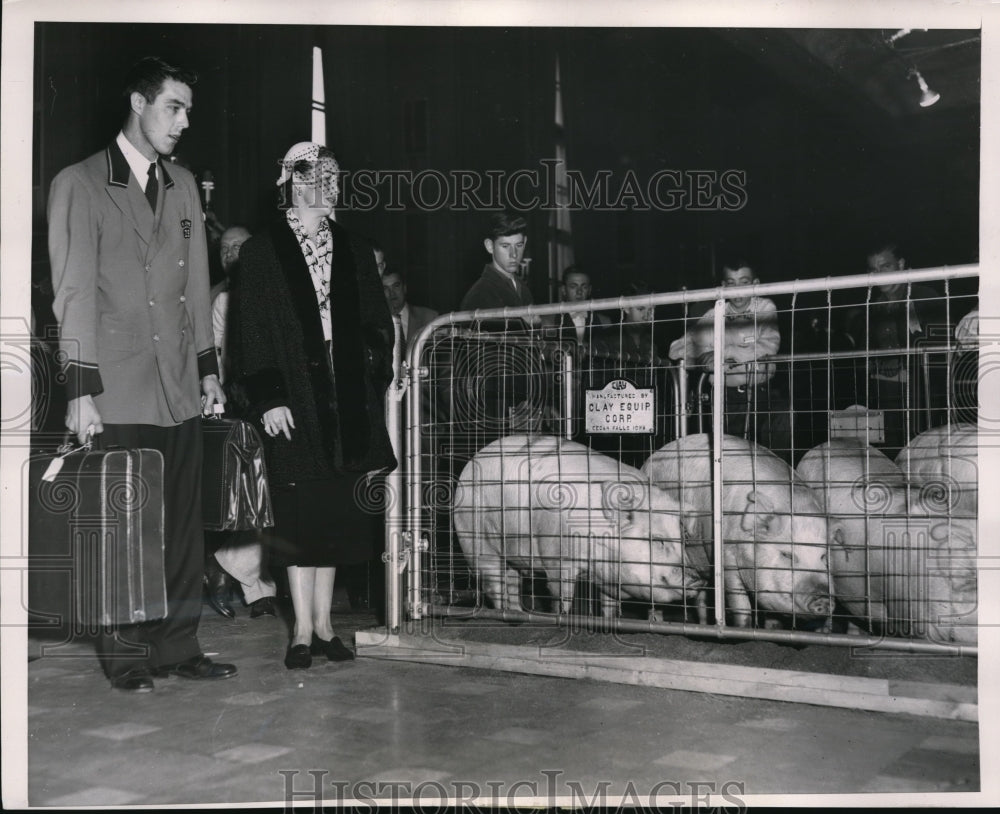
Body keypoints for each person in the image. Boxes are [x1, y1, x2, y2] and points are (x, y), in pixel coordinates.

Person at [46, 56, 237, 692]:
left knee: (181, 522)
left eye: (188, 111)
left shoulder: (183, 184)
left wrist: (208, 370)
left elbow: (199, 284)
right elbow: (72, 293)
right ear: (138, 102)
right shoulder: (79, 183)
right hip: (115, 385)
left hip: (178, 382)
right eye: (172, 108)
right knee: (123, 528)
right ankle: (125, 652)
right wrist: (79, 391)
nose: (183, 122)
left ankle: (177, 644)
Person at [232, 141, 396, 670]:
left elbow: (378, 321)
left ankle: (326, 626)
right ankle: (300, 629)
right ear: (296, 185)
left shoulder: (352, 247)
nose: (333, 188)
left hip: (345, 403)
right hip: (294, 403)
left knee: (334, 518)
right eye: (323, 178)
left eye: (335, 178)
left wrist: (368, 369)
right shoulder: (262, 252)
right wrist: (270, 397)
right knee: (300, 519)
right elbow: (250, 333)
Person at [204, 223, 278, 620]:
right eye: (225, 248)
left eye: (240, 247)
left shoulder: (267, 288)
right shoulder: (218, 299)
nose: (232, 254)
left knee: (265, 498)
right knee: (253, 498)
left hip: (269, 401)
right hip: (239, 405)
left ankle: (239, 574)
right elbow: (214, 360)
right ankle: (249, 582)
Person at [668, 260, 791, 458]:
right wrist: (702, 356)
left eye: (744, 282)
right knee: (731, 458)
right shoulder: (715, 313)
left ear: (756, 284)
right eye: (731, 283)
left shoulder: (765, 307)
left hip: (762, 395)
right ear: (723, 287)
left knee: (770, 458)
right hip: (725, 400)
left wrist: (720, 354)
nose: (737, 290)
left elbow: (768, 345)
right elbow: (676, 349)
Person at [846, 243, 949, 454]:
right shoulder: (873, 307)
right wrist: (877, 365)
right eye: (873, 270)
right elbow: (862, 355)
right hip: (884, 396)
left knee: (925, 453)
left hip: (925, 396)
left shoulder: (925, 296)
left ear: (900, 265)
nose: (878, 274)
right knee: (892, 452)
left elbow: (943, 349)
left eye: (885, 267)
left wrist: (902, 362)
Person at [459, 211, 539, 329]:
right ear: (490, 246)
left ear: (525, 242)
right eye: (505, 246)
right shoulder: (480, 294)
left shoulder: (521, 286)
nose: (514, 254)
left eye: (519, 245)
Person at [382, 269, 439, 352]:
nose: (392, 293)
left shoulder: (430, 317)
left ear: (404, 288)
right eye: (385, 288)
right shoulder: (375, 324)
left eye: (396, 286)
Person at [552, 266, 611, 346]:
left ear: (589, 290)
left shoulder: (604, 322)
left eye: (584, 287)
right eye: (573, 287)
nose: (579, 292)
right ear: (563, 290)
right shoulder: (551, 321)